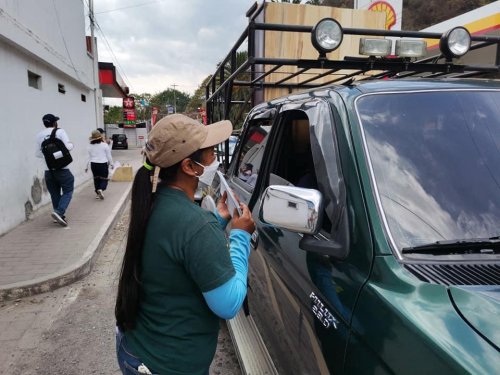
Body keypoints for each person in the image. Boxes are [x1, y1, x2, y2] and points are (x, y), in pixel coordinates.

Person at [115, 114, 255, 375]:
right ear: (190, 166)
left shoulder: (156, 201)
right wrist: (240, 237)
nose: (216, 160)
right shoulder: (194, 224)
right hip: (169, 365)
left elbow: (176, 245)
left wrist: (218, 219)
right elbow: (229, 304)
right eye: (212, 152)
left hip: (136, 347)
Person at [35, 113, 74, 226]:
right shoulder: (60, 131)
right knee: (68, 190)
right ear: (54, 123)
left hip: (48, 171)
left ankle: (58, 216)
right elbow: (67, 147)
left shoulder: (38, 135)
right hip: (63, 169)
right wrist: (71, 145)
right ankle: (59, 211)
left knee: (54, 193)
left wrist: (49, 157)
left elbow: (38, 154)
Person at [85, 130, 113, 200]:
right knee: (104, 178)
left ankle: (97, 194)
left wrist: (86, 166)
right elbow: (109, 155)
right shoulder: (104, 145)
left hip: (93, 164)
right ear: (100, 137)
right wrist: (112, 164)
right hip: (102, 164)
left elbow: (88, 157)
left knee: (96, 178)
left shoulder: (89, 146)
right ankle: (101, 189)